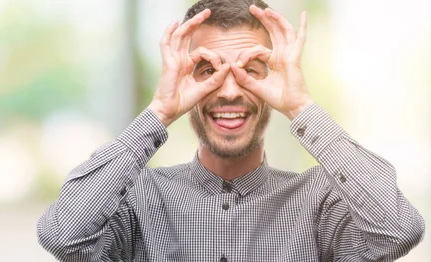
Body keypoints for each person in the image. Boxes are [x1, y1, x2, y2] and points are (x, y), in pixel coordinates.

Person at [37, 0, 425, 261]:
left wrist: (301, 107)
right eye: (208, 71)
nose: (228, 91)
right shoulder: (137, 198)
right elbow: (62, 236)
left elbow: (398, 231)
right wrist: (159, 112)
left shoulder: (319, 202)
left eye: (250, 72)